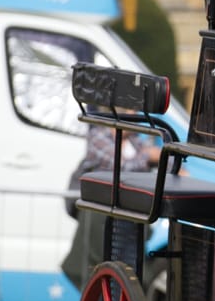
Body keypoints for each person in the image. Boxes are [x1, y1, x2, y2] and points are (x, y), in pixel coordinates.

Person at [61, 124, 162, 291]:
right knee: (98, 268)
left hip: (130, 215)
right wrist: (147, 156)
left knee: (130, 271)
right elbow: (117, 166)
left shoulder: (134, 141)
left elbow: (163, 159)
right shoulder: (98, 137)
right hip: (100, 214)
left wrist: (163, 158)